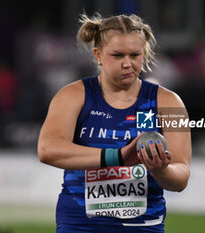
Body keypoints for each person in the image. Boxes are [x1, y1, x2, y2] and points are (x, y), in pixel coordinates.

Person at [37, 13, 191, 233]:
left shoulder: (169, 102)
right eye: (117, 55)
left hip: (142, 227)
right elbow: (47, 149)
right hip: (79, 226)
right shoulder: (73, 96)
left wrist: (160, 170)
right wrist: (118, 156)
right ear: (98, 55)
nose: (127, 64)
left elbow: (182, 176)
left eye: (135, 55)